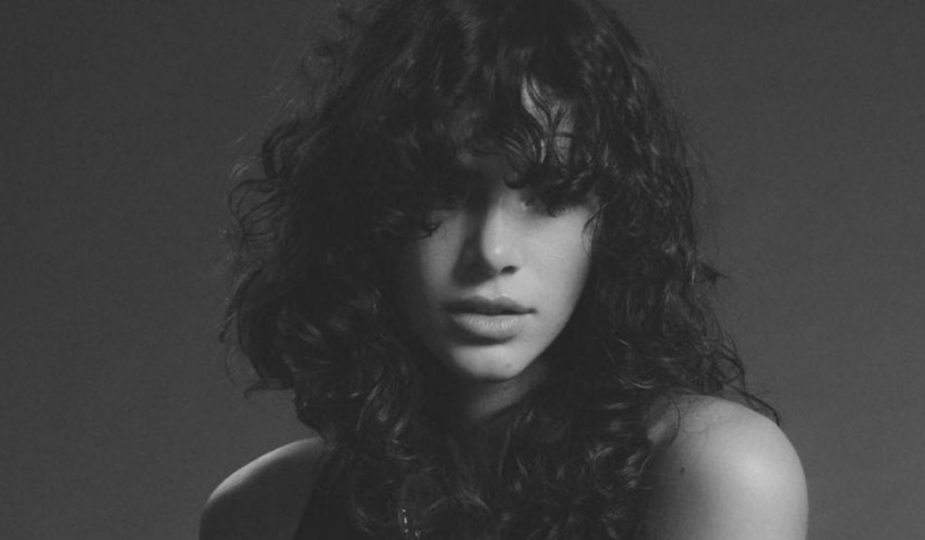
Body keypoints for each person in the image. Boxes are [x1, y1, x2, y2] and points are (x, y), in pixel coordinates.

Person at [200, 0, 808, 538]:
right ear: (366, 209)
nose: (491, 252)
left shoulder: (717, 470)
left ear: (616, 225)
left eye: (549, 197)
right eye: (443, 192)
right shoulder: (261, 513)